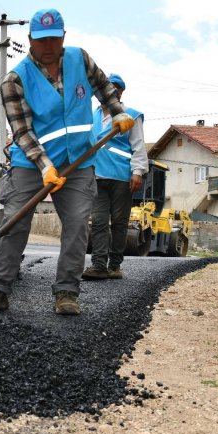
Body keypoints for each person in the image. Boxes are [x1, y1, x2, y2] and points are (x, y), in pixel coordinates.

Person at [0, 8, 135, 316]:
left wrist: (118, 111)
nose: (48, 46)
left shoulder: (80, 59)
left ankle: (66, 292)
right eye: (41, 40)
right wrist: (45, 166)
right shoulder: (14, 80)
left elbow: (104, 86)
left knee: (76, 226)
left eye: (53, 39)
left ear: (63, 37)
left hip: (78, 160)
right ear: (30, 39)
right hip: (30, 163)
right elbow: (22, 131)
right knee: (15, 223)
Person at [83, 73, 147, 280]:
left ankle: (115, 265)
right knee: (100, 221)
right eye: (106, 89)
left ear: (120, 92)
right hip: (96, 175)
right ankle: (99, 265)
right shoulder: (90, 116)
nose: (110, 92)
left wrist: (137, 172)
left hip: (122, 176)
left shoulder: (130, 115)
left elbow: (138, 147)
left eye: (114, 89)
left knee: (119, 222)